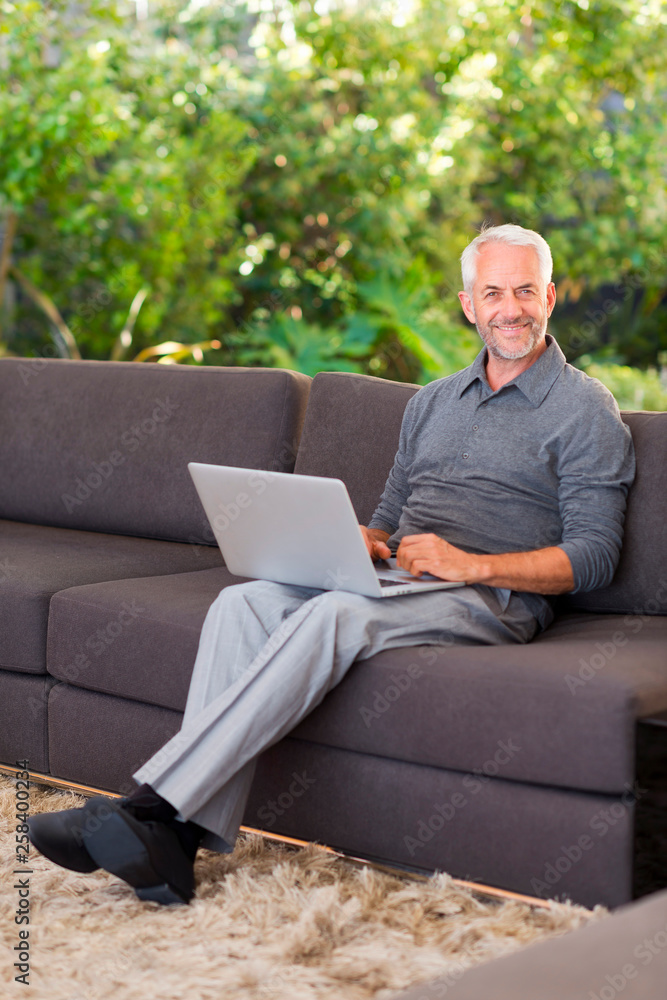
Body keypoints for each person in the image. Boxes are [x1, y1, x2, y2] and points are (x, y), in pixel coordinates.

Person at [27, 224, 635, 905]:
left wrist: (471, 565)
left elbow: (594, 557)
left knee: (335, 613)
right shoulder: (432, 402)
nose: (509, 307)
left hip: (489, 599)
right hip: (399, 579)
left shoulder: (585, 410)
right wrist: (363, 539)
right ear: (468, 304)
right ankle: (173, 844)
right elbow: (393, 512)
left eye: (524, 289)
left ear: (548, 296)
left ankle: (149, 810)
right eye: (492, 291)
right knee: (242, 602)